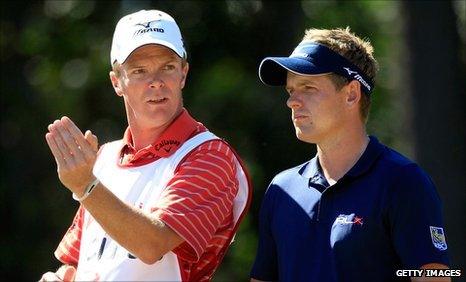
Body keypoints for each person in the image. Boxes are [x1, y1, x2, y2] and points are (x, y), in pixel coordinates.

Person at [39, 9, 252, 282]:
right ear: (117, 82)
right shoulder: (103, 159)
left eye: (168, 67)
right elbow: (76, 263)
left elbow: (153, 245)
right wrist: (59, 277)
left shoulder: (210, 155)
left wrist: (85, 186)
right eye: (139, 71)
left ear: (183, 74)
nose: (156, 83)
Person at [250, 28, 450, 282]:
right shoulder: (281, 189)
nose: (292, 101)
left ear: (352, 94)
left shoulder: (403, 182)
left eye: (308, 87)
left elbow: (433, 276)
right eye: (291, 90)